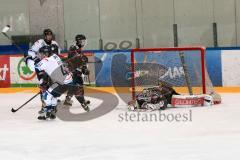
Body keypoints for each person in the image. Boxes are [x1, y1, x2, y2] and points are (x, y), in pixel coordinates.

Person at [35, 46, 90, 120]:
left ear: (45, 54)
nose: (40, 55)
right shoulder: (55, 56)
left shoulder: (45, 61)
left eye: (41, 54)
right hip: (68, 82)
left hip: (62, 83)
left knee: (46, 95)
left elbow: (35, 67)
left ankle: (48, 111)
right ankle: (52, 113)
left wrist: (29, 59)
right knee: (53, 96)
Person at [24, 29, 61, 112]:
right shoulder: (39, 42)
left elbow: (57, 55)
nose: (49, 37)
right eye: (48, 35)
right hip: (42, 66)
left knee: (52, 86)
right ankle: (44, 105)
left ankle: (53, 106)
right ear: (44, 36)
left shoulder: (55, 44)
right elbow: (30, 51)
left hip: (51, 67)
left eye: (50, 35)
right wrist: (36, 59)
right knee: (43, 84)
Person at [63, 34, 90, 107]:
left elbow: (80, 60)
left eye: (84, 41)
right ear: (78, 41)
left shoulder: (78, 48)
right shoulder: (73, 47)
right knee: (76, 85)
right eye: (82, 41)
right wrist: (82, 58)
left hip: (76, 70)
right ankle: (70, 100)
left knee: (77, 85)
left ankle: (69, 99)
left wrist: (84, 66)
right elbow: (73, 59)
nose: (83, 43)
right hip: (73, 70)